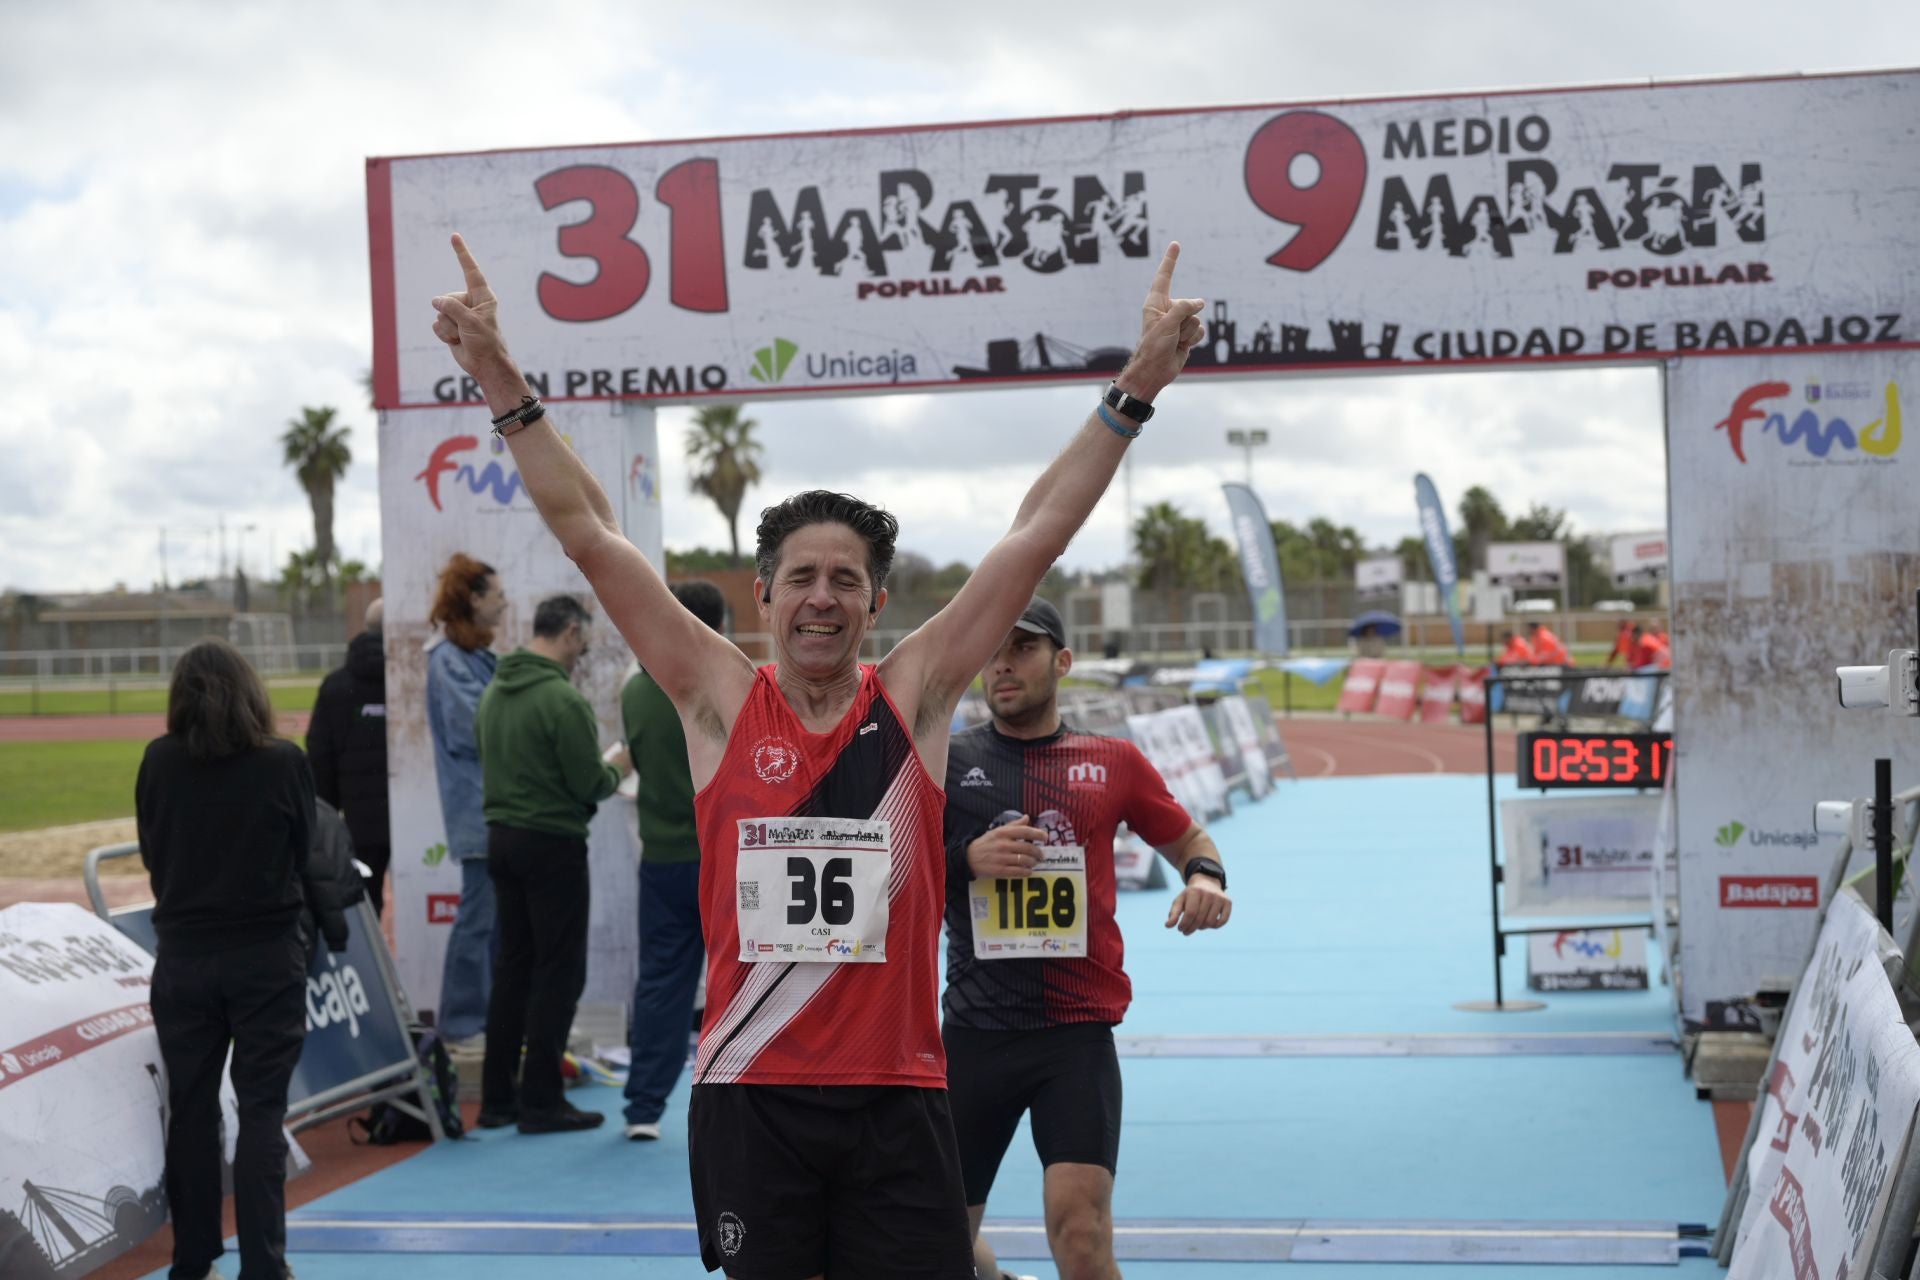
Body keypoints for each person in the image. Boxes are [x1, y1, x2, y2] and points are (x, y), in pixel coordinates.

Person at [430, 232, 1204, 1278]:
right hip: (755, 1094)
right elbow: (592, 534)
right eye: (801, 576)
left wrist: (1136, 386)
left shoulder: (918, 694)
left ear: (877, 602)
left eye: (847, 578)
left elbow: (1036, 534)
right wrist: (497, 373)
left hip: (900, 1093)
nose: (823, 596)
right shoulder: (714, 698)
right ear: (765, 595)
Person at [942, 598, 1232, 1280]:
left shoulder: (1112, 761)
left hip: (1073, 1034)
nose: (1002, 664)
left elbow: (1189, 838)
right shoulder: (948, 763)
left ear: (1062, 662)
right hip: (975, 1031)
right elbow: (894, 867)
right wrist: (966, 860)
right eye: (993, 651)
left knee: (1081, 1230)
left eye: (1023, 648)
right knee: (937, 1243)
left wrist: (1208, 879)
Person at [136, 638, 348, 1280]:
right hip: (264, 957)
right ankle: (264, 1264)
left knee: (191, 1112)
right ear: (252, 695)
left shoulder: (158, 761)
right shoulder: (282, 763)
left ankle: (192, 1257)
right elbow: (304, 850)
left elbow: (152, 854)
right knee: (261, 1112)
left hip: (184, 959)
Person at [474, 593, 627, 1134]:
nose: (580, 653)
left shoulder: (495, 691)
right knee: (559, 972)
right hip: (552, 843)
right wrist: (618, 768)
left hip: (502, 838)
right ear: (568, 632)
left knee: (513, 968)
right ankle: (541, 1099)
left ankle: (497, 1099)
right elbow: (589, 782)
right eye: (580, 642)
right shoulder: (562, 700)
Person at [621, 579, 727, 1142]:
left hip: (661, 856)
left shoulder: (637, 692)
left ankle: (643, 1106)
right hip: (721, 856)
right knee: (740, 979)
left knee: (662, 981)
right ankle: (738, 1096)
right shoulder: (725, 688)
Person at [428, 555, 508, 1050]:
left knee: (496, 921)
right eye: (496, 593)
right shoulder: (448, 660)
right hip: (477, 810)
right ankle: (459, 1025)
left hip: (495, 808)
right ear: (474, 599)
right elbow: (477, 727)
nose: (504, 602)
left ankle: (487, 1017)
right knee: (477, 919)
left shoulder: (477, 656)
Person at [307, 598, 392, 913]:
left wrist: (325, 814)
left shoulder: (335, 686)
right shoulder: (413, 680)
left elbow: (320, 757)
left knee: (364, 904)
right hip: (414, 816)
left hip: (359, 819)